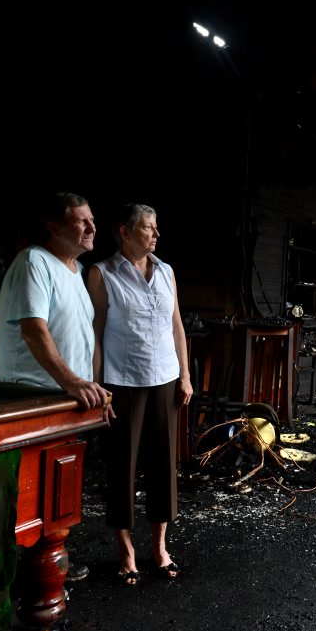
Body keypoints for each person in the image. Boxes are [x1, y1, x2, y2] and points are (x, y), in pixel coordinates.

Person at [0, 191, 114, 583]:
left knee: (57, 486)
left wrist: (92, 389)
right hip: (34, 396)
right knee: (28, 490)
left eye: (92, 220)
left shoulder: (76, 272)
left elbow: (79, 338)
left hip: (67, 397)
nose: (91, 227)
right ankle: (17, 574)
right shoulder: (34, 262)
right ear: (54, 227)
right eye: (81, 221)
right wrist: (72, 382)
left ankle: (49, 562)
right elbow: (34, 328)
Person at [86, 204, 192, 586]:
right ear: (125, 232)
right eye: (148, 227)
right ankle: (126, 549)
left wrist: (185, 375)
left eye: (156, 227)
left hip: (164, 377)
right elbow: (94, 334)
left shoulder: (166, 272)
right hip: (122, 382)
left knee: (164, 464)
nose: (156, 234)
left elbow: (177, 326)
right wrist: (98, 386)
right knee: (122, 465)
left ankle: (160, 547)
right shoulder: (101, 273)